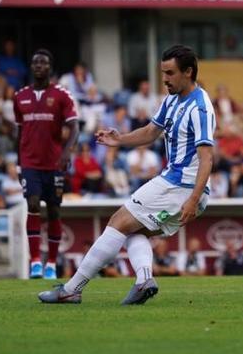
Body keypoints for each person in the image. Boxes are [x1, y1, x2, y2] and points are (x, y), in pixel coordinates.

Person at [40, 45, 216, 305]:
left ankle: (71, 289)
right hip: (179, 186)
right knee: (135, 232)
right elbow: (150, 132)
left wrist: (193, 198)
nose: (165, 79)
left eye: (170, 73)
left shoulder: (199, 107)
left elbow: (207, 158)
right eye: (163, 72)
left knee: (118, 221)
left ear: (188, 72)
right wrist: (120, 139)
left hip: (181, 186)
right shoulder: (172, 100)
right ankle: (144, 280)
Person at [14, 49, 80, 280]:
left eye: (43, 62)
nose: (39, 66)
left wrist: (66, 152)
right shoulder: (19, 96)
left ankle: (51, 263)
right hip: (29, 163)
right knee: (32, 204)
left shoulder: (62, 95)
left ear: (50, 67)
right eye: (35, 62)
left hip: (54, 164)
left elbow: (74, 127)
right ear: (31, 67)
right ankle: (34, 262)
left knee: (53, 210)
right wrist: (17, 163)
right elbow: (19, 132)